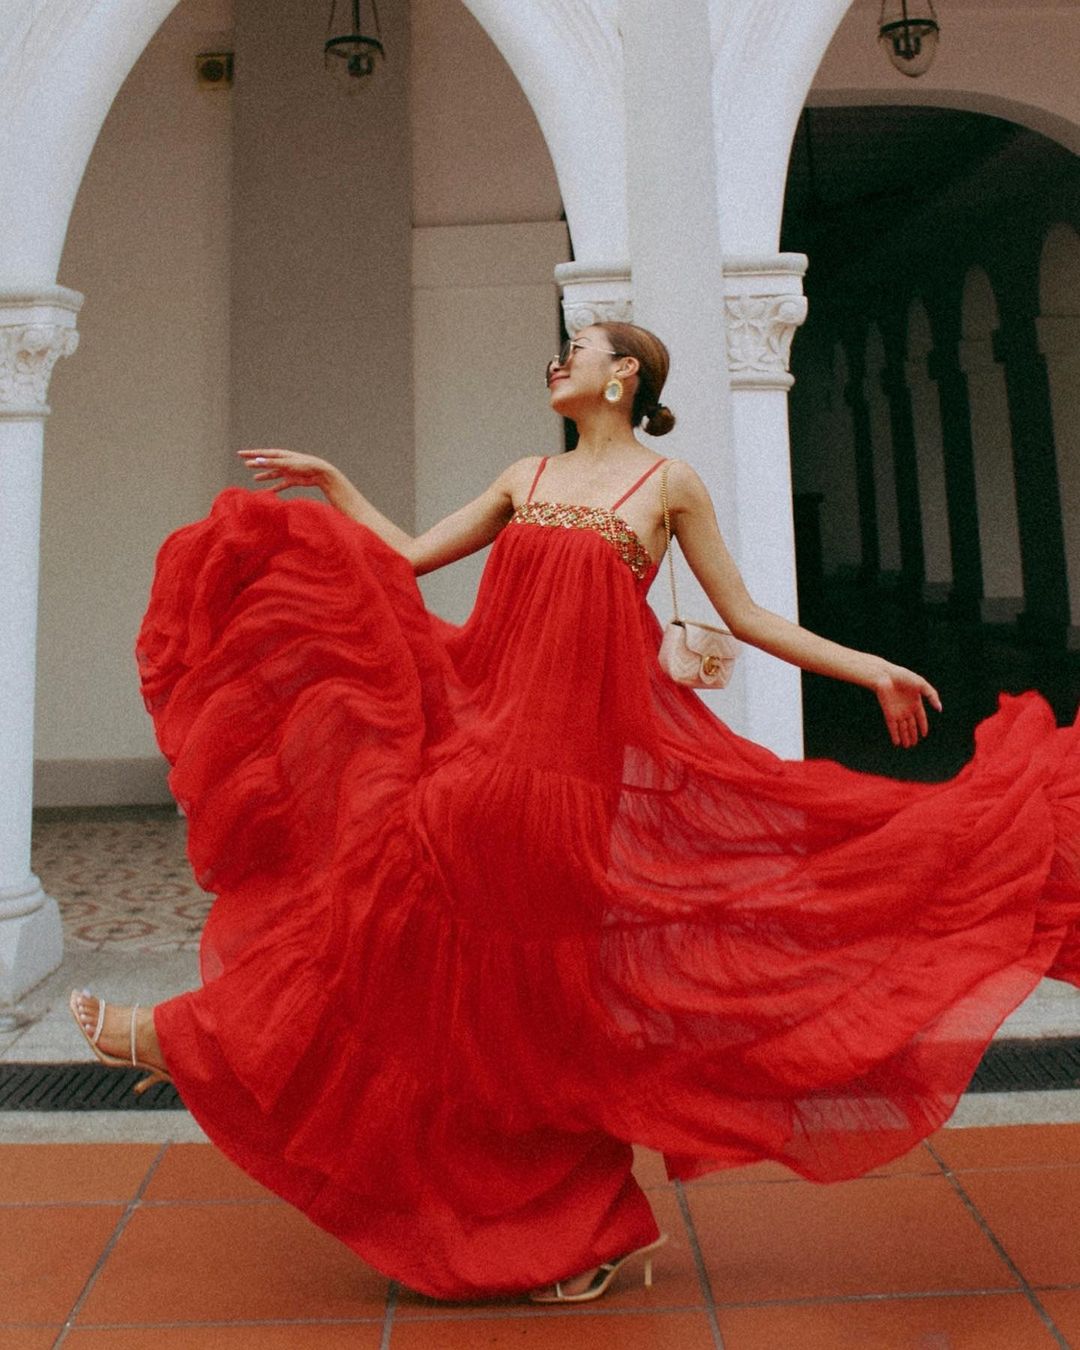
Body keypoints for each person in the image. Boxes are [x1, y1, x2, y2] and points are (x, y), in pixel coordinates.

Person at [71, 322, 1080, 1304]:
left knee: (446, 949)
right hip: (484, 745)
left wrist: (870, 668)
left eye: (579, 351)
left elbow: (744, 614)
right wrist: (338, 489)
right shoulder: (527, 477)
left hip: (565, 783)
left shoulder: (665, 485)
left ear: (624, 376)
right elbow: (410, 558)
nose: (558, 361)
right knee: (477, 982)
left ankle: (201, 1041)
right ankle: (567, 1230)